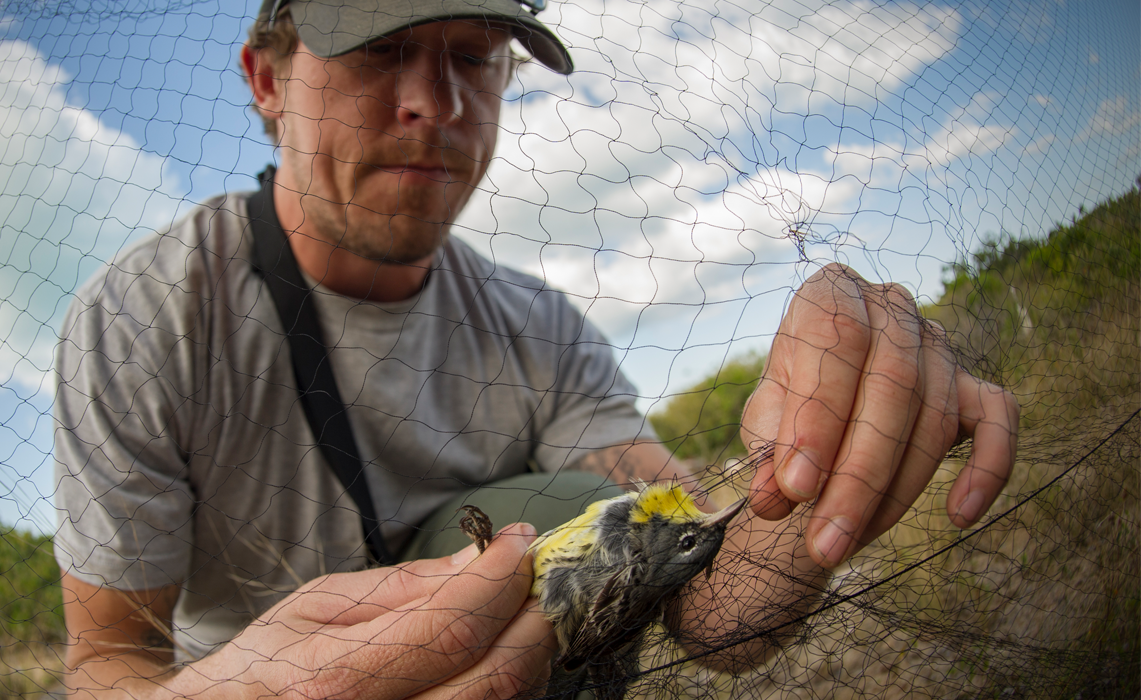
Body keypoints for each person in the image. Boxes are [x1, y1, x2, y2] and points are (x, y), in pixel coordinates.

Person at [53, 0, 1020, 697]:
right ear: (268, 79)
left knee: (586, 508)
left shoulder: (539, 329)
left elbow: (711, 595)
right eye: (380, 46)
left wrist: (810, 446)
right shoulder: (147, 319)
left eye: (474, 56)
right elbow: (107, 665)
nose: (435, 102)